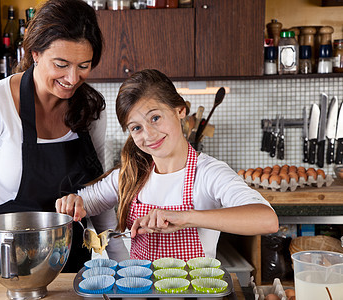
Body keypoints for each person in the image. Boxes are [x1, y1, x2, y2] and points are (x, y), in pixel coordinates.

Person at [0, 0, 129, 283]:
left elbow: (98, 190)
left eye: (84, 65)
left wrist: (123, 263)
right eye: (61, 64)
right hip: (4, 266)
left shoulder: (91, 108)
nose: (72, 78)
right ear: (35, 53)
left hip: (69, 264)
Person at [56, 69, 279, 261]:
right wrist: (75, 202)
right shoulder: (130, 175)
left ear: (180, 110)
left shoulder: (209, 173)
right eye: (136, 128)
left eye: (155, 118)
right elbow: (87, 202)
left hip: (194, 293)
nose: (149, 135)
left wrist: (187, 217)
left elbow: (267, 220)